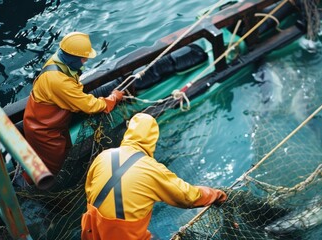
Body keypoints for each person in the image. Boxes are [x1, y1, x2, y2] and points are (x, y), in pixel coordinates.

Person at [81, 113, 227, 240]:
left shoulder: (104, 155)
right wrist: (215, 194)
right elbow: (188, 197)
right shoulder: (151, 168)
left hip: (91, 228)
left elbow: (89, 190)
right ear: (152, 139)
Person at [22, 32, 124, 185]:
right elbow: (89, 105)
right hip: (42, 129)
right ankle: (28, 186)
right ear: (72, 57)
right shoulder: (58, 80)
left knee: (64, 150)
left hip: (55, 122)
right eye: (83, 58)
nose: (85, 61)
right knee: (52, 164)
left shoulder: (59, 62)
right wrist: (112, 98)